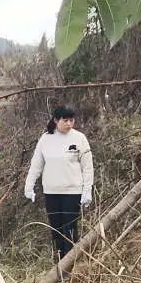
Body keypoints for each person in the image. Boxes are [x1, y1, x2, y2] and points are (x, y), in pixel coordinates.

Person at [23, 105, 94, 260]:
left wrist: (87, 190)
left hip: (72, 192)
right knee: (56, 228)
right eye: (65, 120)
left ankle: (70, 264)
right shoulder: (46, 139)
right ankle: (59, 261)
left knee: (69, 229)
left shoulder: (79, 138)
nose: (69, 124)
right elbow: (36, 164)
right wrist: (29, 185)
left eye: (71, 120)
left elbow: (87, 167)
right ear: (56, 120)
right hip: (51, 192)